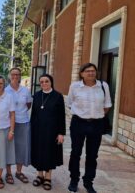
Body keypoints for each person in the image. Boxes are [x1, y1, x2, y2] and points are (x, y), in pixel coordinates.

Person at [67, 63, 112, 193]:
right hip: (78, 123)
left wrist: (96, 115)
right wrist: (83, 114)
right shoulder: (75, 86)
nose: (91, 73)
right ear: (82, 73)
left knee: (92, 155)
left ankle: (88, 182)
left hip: (96, 124)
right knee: (75, 153)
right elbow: (70, 104)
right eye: (87, 71)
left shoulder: (103, 86)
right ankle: (74, 180)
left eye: (93, 71)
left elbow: (107, 104)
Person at [30, 74, 65, 191]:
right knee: (38, 152)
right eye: (42, 82)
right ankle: (39, 175)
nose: (44, 84)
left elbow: (61, 116)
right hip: (38, 130)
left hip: (52, 130)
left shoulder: (58, 96)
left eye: (46, 81)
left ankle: (48, 177)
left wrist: (61, 133)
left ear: (51, 82)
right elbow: (33, 114)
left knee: (49, 153)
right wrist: (31, 129)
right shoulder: (36, 95)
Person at [5, 67, 32, 184]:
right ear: (10, 76)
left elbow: (29, 104)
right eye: (13, 74)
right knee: (9, 148)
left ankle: (19, 172)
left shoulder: (25, 90)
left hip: (23, 122)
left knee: (22, 148)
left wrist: (20, 113)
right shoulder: (5, 90)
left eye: (18, 74)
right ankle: (9, 173)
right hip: (9, 123)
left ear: (20, 76)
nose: (15, 76)